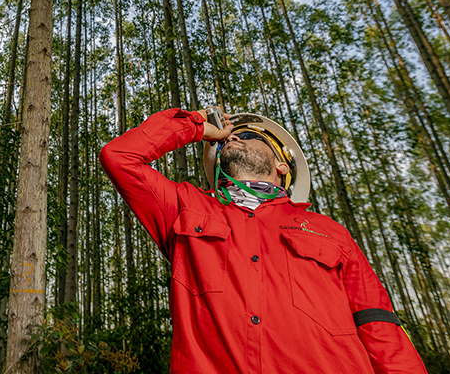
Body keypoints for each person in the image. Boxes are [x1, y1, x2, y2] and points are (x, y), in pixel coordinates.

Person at [100, 106, 428, 374]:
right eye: (228, 138)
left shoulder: (328, 229)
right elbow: (120, 157)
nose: (233, 138)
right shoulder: (186, 208)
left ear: (281, 164)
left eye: (246, 135)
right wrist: (198, 126)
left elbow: (377, 323)